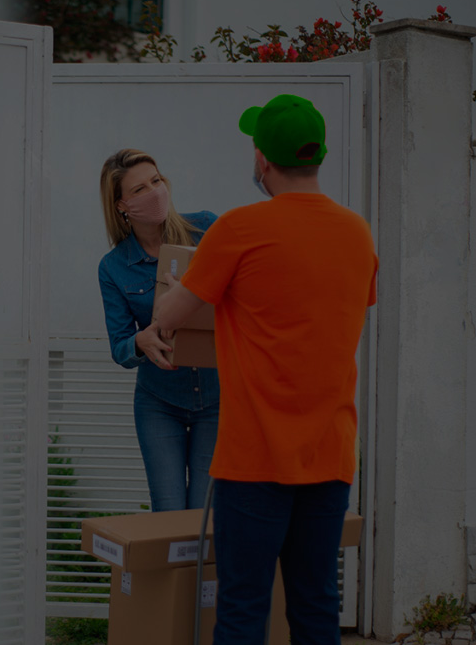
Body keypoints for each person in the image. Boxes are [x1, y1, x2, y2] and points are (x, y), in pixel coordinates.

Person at [151, 95, 378, 645]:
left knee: (243, 611)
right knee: (317, 605)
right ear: (318, 154)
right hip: (329, 454)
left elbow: (168, 316)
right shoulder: (357, 233)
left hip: (254, 460)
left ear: (261, 160)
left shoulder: (239, 229)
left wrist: (194, 286)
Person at [97, 149, 221, 512]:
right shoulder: (114, 267)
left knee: (203, 517)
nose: (155, 192)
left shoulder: (207, 229)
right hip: (158, 403)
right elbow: (120, 346)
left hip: (217, 399)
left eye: (156, 180)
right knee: (168, 513)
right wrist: (140, 340)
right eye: (140, 189)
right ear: (121, 206)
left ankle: (201, 573)